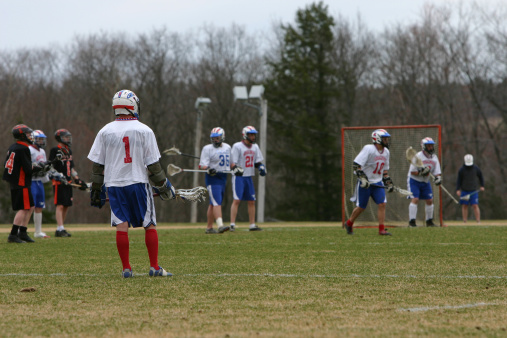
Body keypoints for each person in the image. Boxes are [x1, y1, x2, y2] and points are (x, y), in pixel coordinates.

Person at [88, 89, 176, 278]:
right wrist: (163, 185)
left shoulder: (105, 131)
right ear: (133, 105)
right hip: (137, 182)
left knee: (121, 225)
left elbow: (97, 166)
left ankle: (126, 269)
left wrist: (96, 189)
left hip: (114, 184)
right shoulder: (144, 130)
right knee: (149, 224)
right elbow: (153, 165)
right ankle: (154, 267)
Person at [3, 125, 50, 243]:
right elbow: (28, 169)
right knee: (23, 208)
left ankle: (23, 232)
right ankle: (13, 234)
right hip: (21, 181)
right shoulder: (23, 148)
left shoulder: (14, 146)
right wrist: (41, 167)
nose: (31, 136)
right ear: (22, 135)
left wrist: (37, 166)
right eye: (28, 134)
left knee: (31, 206)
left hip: (16, 180)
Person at [344, 129, 394, 236]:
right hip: (365, 183)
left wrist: (388, 181)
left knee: (382, 204)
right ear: (378, 139)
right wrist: (363, 178)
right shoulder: (369, 149)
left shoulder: (386, 152)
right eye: (384, 139)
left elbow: (384, 170)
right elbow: (356, 164)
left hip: (377, 182)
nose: (386, 141)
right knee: (361, 207)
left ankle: (381, 229)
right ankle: (349, 223)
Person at [198, 127, 243, 234]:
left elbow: (231, 163)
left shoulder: (227, 147)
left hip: (223, 177)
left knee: (213, 203)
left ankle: (209, 228)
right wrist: (208, 169)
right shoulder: (207, 148)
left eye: (217, 138)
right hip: (213, 178)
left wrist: (236, 168)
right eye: (213, 138)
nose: (215, 140)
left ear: (222, 137)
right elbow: (201, 165)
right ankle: (220, 225)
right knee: (217, 201)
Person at [48, 128, 87, 237]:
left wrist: (77, 179)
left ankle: (60, 228)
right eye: (65, 137)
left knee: (66, 205)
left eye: (68, 137)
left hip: (68, 182)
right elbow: (50, 167)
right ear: (59, 138)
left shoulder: (69, 151)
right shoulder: (55, 150)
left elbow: (72, 167)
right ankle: (60, 228)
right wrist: (58, 177)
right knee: (60, 205)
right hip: (59, 182)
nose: (67, 139)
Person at [229, 126, 266, 232]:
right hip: (239, 177)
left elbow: (257, 162)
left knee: (251, 201)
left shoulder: (255, 147)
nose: (253, 137)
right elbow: (232, 162)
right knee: (237, 200)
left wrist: (261, 167)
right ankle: (232, 224)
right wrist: (235, 168)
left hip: (249, 176)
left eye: (254, 135)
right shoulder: (237, 146)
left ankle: (252, 224)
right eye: (251, 135)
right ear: (245, 135)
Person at [407, 137, 442, 227]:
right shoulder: (418, 156)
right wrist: (421, 173)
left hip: (425, 182)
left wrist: (437, 179)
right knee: (415, 199)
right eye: (428, 146)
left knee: (429, 200)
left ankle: (429, 221)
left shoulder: (434, 158)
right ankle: (412, 222)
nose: (431, 147)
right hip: (414, 181)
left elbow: (437, 173)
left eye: (431, 146)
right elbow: (412, 171)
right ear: (424, 146)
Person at [29, 130, 52, 238]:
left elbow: (45, 166)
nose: (41, 141)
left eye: (43, 139)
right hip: (31, 181)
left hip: (39, 181)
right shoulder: (30, 150)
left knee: (39, 206)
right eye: (39, 139)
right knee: (30, 207)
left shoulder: (42, 151)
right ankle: (22, 229)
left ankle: (38, 232)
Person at [456, 154, 485, 223]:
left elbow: (481, 177)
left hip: (473, 190)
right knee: (465, 206)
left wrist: (482, 185)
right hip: (464, 190)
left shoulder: (476, 168)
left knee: (475, 205)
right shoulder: (461, 170)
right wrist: (458, 189)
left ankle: (478, 220)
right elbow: (459, 180)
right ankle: (465, 221)